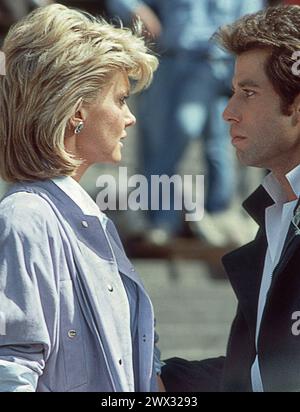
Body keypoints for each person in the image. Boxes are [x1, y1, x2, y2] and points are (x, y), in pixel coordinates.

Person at [0, 3, 163, 392]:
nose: (130, 117)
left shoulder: (90, 218)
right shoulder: (26, 217)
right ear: (76, 111)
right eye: (120, 99)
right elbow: (12, 368)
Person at [161, 4, 300, 392]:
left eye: (248, 93)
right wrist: (161, 382)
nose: (228, 112)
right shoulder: (277, 216)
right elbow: (261, 371)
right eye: (232, 91)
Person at [107, 0, 263, 247]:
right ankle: (163, 220)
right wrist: (138, 10)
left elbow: (251, 17)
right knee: (160, 143)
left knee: (196, 134)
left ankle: (216, 217)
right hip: (167, 62)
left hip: (214, 65)